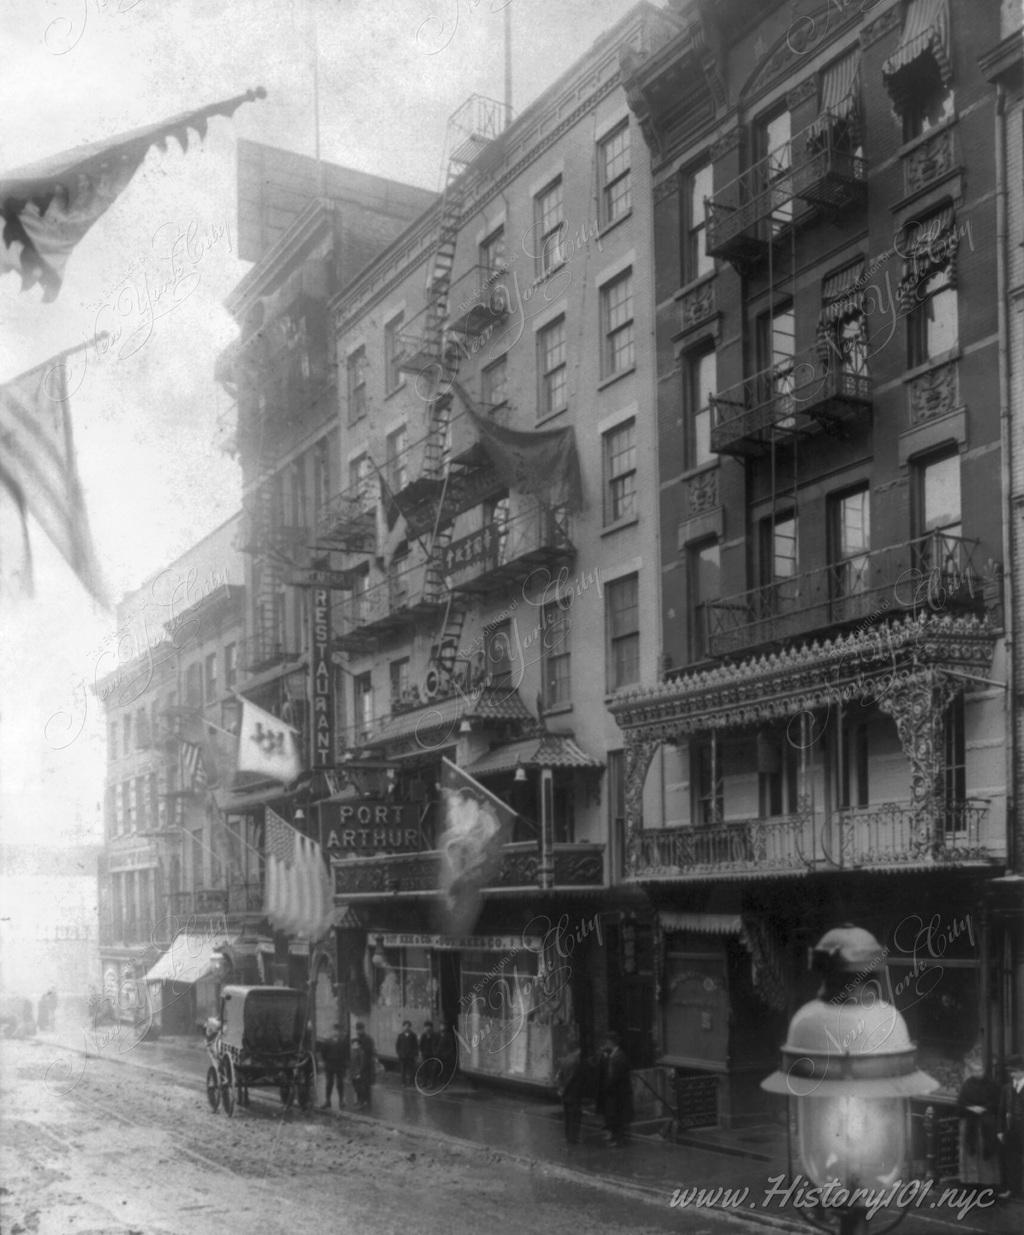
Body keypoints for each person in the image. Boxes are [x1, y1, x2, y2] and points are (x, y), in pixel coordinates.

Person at [956, 1046, 1000, 1187]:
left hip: (986, 1123)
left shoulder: (992, 1084)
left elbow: (997, 1102)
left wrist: (984, 1108)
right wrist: (971, 1108)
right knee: (971, 1154)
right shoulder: (967, 1085)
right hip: (970, 1122)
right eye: (975, 1070)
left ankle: (988, 1182)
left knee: (985, 1154)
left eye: (980, 1070)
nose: (978, 1073)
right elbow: (961, 1102)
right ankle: (971, 1181)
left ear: (984, 1070)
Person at [997, 1054, 1024, 1199]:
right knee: (1011, 1161)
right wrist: (1000, 1130)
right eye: (1010, 1072)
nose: (1012, 1074)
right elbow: (1001, 1111)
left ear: (1022, 1070)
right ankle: (1013, 1190)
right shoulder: (1007, 1088)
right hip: (1010, 1129)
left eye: (1014, 1071)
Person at [601, 1031, 633, 1148]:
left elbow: (614, 1077)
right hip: (614, 1094)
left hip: (619, 1094)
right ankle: (616, 1138)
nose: (605, 1044)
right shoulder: (613, 1055)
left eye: (607, 1041)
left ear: (611, 1042)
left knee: (619, 1117)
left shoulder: (619, 1057)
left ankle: (619, 1141)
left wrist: (607, 1086)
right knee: (614, 1116)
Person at [555, 1033, 587, 1145]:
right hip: (574, 1093)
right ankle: (574, 1137)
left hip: (566, 1095)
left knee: (568, 1117)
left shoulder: (564, 1060)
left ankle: (569, 1137)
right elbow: (572, 1078)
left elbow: (559, 1076)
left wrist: (560, 1089)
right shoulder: (576, 1061)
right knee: (575, 1116)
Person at [318, 1023, 349, 1110]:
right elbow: (323, 1053)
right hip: (330, 1064)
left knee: (340, 1084)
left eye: (338, 1031)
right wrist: (325, 1062)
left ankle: (341, 1101)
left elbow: (346, 1054)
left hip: (339, 1065)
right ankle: (328, 1101)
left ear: (340, 1032)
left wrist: (345, 1065)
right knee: (329, 1083)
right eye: (335, 1030)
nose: (336, 1032)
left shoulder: (343, 1042)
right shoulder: (327, 1042)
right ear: (332, 1031)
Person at [351, 1021, 376, 1109]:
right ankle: (360, 1101)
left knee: (365, 1085)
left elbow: (368, 1054)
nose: (358, 1031)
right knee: (358, 1085)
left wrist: (362, 1068)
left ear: (363, 1029)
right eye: (357, 1030)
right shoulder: (357, 1039)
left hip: (366, 1066)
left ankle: (365, 1102)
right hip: (359, 1066)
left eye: (360, 1029)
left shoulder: (368, 1039)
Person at [419, 1020, 441, 1089]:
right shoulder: (423, 1035)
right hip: (425, 1055)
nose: (427, 1028)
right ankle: (424, 1083)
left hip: (433, 1055)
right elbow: (420, 1045)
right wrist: (421, 1052)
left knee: (432, 1070)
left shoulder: (435, 1035)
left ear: (431, 1028)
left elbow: (438, 1045)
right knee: (424, 1069)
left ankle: (432, 1084)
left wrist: (436, 1052)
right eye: (426, 1027)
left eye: (428, 1027)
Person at [395, 1020, 418, 1087]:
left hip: (411, 1056)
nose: (406, 1027)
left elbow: (416, 1046)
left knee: (412, 1070)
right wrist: (399, 1053)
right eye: (405, 1026)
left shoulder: (413, 1035)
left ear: (410, 1027)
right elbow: (397, 1046)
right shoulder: (400, 1035)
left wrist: (415, 1054)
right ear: (403, 1027)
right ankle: (403, 1083)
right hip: (402, 1056)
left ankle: (411, 1083)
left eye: (408, 1026)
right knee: (403, 1070)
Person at [437, 1020, 458, 1086]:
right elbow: (434, 1044)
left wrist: (447, 1054)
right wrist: (436, 1052)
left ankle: (444, 1083)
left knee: (445, 1070)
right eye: (441, 1026)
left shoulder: (449, 1035)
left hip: (446, 1056)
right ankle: (438, 1082)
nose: (442, 1027)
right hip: (438, 1055)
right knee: (438, 1069)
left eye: (443, 1026)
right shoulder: (437, 1034)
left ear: (446, 1027)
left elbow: (451, 1047)